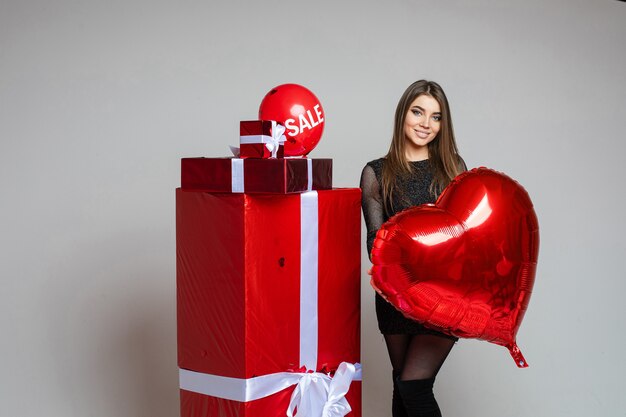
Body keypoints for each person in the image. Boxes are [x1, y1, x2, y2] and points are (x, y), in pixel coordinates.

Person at [360, 80, 466, 417]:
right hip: (396, 298)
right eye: (418, 112)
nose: (425, 123)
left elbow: (462, 240)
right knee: (402, 385)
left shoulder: (454, 170)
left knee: (413, 385)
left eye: (436, 117)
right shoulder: (376, 173)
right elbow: (375, 243)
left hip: (442, 296)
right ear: (402, 114)